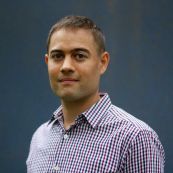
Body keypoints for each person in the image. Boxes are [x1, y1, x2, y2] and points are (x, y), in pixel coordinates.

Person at [26, 15, 165, 172]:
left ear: (103, 62)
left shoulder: (135, 139)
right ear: (47, 62)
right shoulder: (40, 137)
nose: (66, 66)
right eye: (57, 56)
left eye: (79, 56)